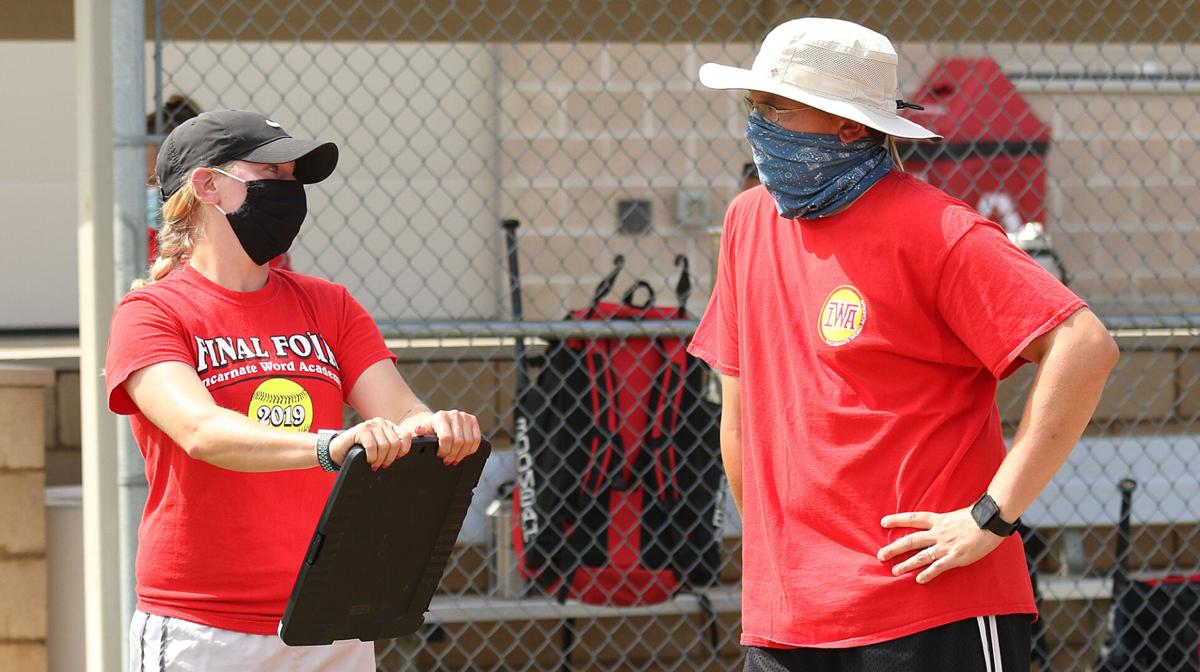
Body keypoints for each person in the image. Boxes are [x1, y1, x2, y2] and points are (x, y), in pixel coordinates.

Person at [688, 18, 1118, 671]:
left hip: (933, 610)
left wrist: (990, 519)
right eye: (754, 104)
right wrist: (789, 559)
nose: (757, 121)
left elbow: (1084, 346)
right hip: (789, 618)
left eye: (776, 105)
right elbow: (739, 411)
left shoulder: (935, 228)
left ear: (851, 126)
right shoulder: (747, 221)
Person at [106, 108, 482, 671]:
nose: (290, 191)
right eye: (270, 174)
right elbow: (201, 431)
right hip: (204, 627)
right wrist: (329, 445)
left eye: (293, 177)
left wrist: (434, 427)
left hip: (328, 616)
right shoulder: (151, 313)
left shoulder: (327, 303)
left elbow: (401, 410)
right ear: (207, 185)